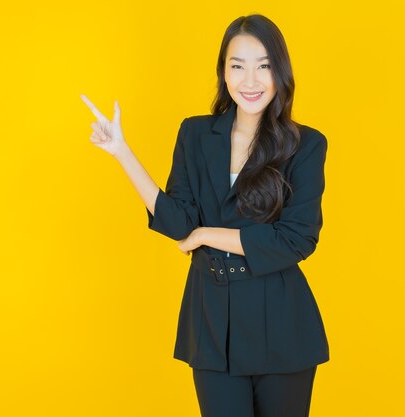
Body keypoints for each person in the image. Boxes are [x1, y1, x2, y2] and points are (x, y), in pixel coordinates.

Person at [81, 13, 329, 417]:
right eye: (238, 66)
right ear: (224, 73)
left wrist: (205, 236)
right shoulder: (195, 134)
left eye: (263, 66)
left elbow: (296, 239)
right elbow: (178, 221)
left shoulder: (305, 145)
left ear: (279, 72)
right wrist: (121, 152)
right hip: (213, 323)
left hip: (283, 326)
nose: (250, 81)